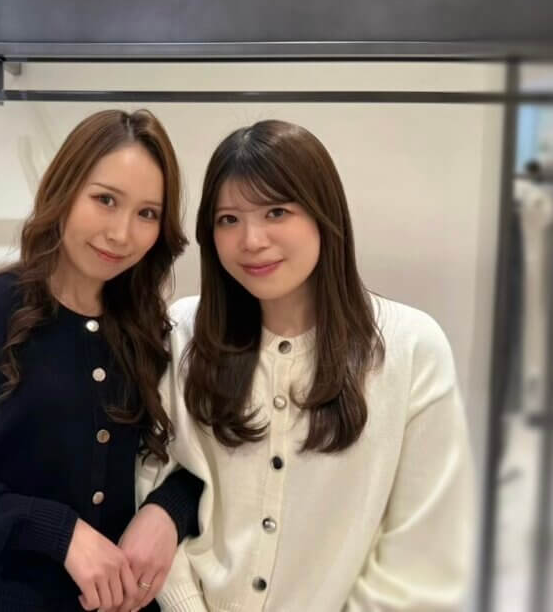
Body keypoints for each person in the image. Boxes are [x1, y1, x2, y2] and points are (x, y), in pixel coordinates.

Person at [138, 120, 475, 611]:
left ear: (323, 213)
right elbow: (150, 476)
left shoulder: (411, 348)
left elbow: (423, 552)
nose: (251, 239)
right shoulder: (183, 332)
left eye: (276, 211)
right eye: (228, 219)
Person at [0, 109, 203, 612]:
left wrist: (169, 510)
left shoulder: (152, 330)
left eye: (147, 213)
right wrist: (59, 531)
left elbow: (201, 461)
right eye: (105, 200)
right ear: (65, 190)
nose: (122, 233)